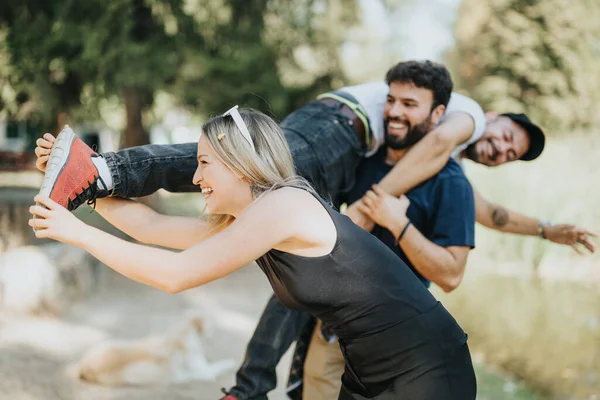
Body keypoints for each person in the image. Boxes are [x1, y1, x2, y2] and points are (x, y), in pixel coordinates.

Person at [30, 107, 478, 399]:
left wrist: (78, 234)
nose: (196, 175)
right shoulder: (257, 218)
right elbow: (153, 227)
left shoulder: (285, 205)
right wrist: (83, 180)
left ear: (242, 164)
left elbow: (175, 275)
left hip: (426, 369)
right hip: (370, 369)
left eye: (205, 163)